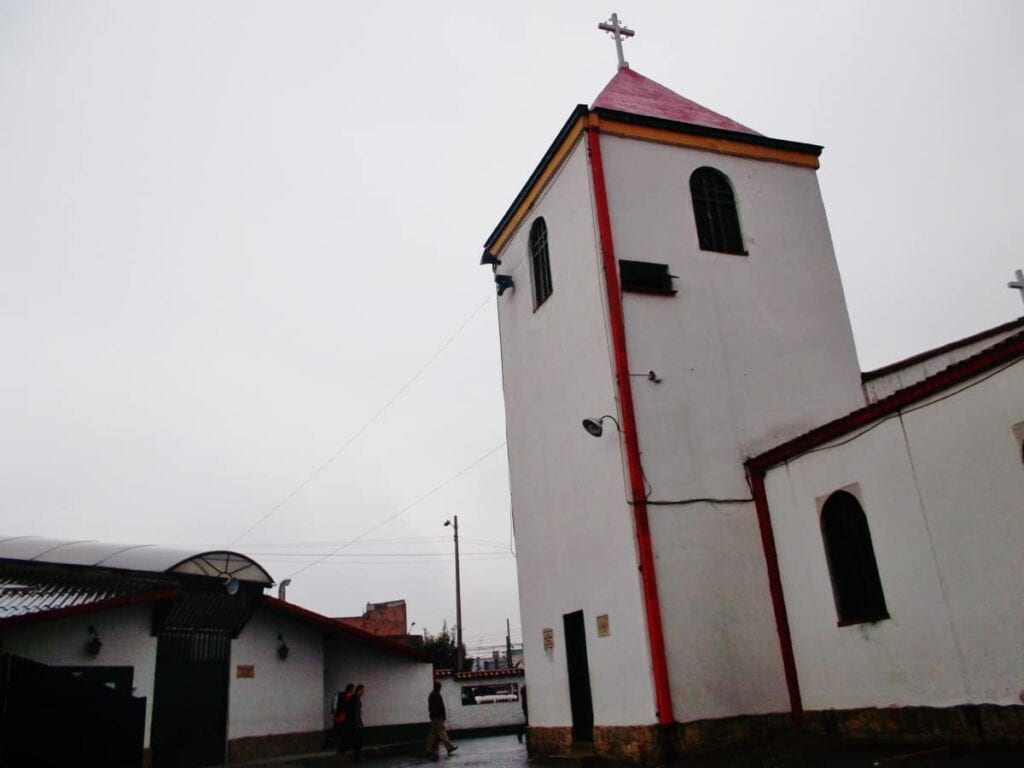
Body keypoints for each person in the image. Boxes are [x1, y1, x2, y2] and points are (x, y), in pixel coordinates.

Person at [424, 681, 458, 759]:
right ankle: (449, 747)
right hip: (437, 718)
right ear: (438, 688)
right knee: (442, 733)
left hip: (434, 717)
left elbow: (432, 708)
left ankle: (428, 750)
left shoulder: (432, 695)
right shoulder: (436, 696)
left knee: (432, 734)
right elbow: (440, 707)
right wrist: (442, 716)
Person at [339, 683, 365, 761]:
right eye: (363, 690)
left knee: (352, 739)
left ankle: (346, 752)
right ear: (359, 690)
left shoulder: (352, 698)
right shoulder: (355, 698)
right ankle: (356, 756)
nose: (364, 692)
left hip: (351, 723)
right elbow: (356, 712)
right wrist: (358, 723)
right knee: (357, 740)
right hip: (353, 723)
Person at [332, 683, 355, 751]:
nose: (352, 691)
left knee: (341, 732)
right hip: (342, 717)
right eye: (352, 689)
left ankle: (340, 745)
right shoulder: (344, 696)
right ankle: (341, 746)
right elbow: (341, 705)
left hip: (341, 717)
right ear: (350, 689)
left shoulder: (343, 695)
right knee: (342, 732)